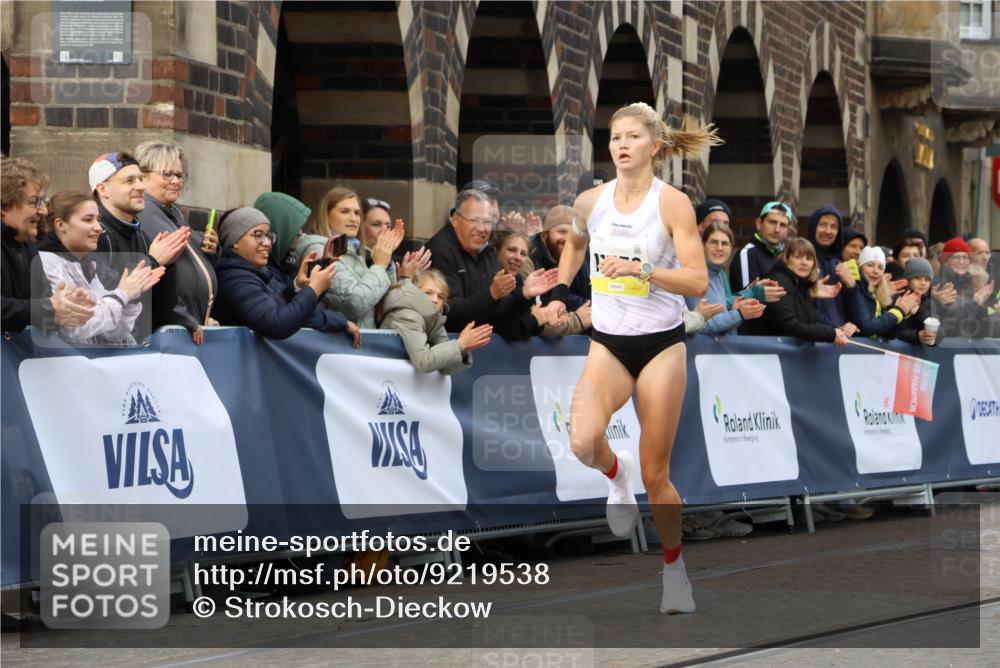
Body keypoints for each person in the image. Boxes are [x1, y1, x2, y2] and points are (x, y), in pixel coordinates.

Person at [540, 101, 721, 614]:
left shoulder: (673, 204)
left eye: (631, 137)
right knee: (581, 440)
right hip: (610, 342)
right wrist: (559, 288)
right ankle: (614, 476)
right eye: (615, 137)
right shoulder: (591, 200)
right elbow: (575, 244)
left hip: (661, 344)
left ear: (654, 146)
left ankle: (674, 570)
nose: (620, 145)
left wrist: (641, 270)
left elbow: (697, 281)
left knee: (656, 475)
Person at [213, 207, 360, 344]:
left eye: (268, 236)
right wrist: (314, 289)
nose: (267, 243)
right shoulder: (235, 278)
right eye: (258, 235)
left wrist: (299, 286)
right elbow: (277, 322)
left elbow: (292, 313)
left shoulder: (249, 273)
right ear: (235, 241)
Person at [37, 191, 165, 344]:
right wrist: (122, 294)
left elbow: (114, 333)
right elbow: (76, 328)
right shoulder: (45, 262)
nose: (98, 228)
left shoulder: (87, 264)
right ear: (60, 224)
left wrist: (131, 298)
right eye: (88, 220)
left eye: (97, 220)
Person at [426, 189, 558, 337]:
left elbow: (502, 322)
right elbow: (449, 315)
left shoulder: (486, 253)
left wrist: (524, 296)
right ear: (455, 219)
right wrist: (491, 294)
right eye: (474, 220)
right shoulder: (441, 251)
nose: (482, 229)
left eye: (487, 222)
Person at [134, 141, 219, 344]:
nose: (176, 181)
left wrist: (213, 251)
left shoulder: (171, 212)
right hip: (173, 331)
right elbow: (158, 276)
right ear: (143, 176)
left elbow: (193, 261)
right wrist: (185, 318)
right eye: (167, 174)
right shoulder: (144, 214)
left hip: (189, 325)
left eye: (179, 175)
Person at [2, 156, 97, 333]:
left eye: (43, 201)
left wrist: (68, 302)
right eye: (34, 202)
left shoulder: (26, 246)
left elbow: (45, 304)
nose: (44, 211)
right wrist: (48, 309)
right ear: (4, 206)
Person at [296, 187, 401, 329]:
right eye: (344, 211)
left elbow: (383, 302)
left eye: (357, 213)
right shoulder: (320, 249)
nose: (353, 218)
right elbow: (353, 303)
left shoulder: (355, 250)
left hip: (360, 342)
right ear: (326, 215)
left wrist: (386, 263)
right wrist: (380, 266)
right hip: (336, 344)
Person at [89, 152, 188, 277]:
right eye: (129, 181)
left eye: (140, 179)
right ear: (103, 189)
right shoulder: (93, 235)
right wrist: (153, 260)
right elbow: (106, 290)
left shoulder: (139, 234)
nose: (141, 187)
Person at [379, 269, 492, 374]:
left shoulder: (434, 320)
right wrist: (460, 344)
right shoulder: (407, 316)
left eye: (441, 296)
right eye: (428, 293)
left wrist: (463, 348)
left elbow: (445, 368)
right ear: (415, 291)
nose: (435, 300)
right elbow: (423, 362)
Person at [758, 238, 851, 345]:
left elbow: (808, 321)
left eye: (809, 258)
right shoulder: (780, 281)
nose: (804, 263)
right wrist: (830, 334)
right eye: (798, 257)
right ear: (786, 259)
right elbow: (789, 325)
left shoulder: (800, 284)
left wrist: (836, 330)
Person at [685, 221, 766, 336]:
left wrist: (733, 310)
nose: (719, 248)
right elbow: (700, 325)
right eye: (713, 242)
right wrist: (739, 314)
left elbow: (717, 319)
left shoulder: (719, 273)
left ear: (731, 248)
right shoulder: (693, 275)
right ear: (703, 244)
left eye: (724, 243)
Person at [495, 230, 568, 337]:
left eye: (523, 254)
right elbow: (504, 327)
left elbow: (521, 327)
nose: (518, 257)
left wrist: (546, 318)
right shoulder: (489, 279)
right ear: (496, 251)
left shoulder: (518, 280)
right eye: (512, 250)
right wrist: (536, 319)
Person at [838, 246, 920, 338]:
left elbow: (889, 335)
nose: (876, 271)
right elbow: (866, 328)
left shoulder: (878, 294)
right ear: (860, 268)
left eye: (880, 267)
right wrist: (899, 311)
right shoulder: (856, 290)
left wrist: (904, 313)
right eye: (870, 265)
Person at [935, 237, 995, 338]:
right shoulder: (939, 284)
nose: (961, 262)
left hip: (969, 346)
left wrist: (984, 307)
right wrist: (976, 302)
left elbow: (981, 328)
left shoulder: (971, 284)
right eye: (955, 257)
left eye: (965, 257)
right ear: (946, 261)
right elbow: (953, 320)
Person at [729, 201, 793, 293]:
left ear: (788, 230)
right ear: (759, 223)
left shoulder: (786, 256)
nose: (777, 229)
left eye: (783, 225)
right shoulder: (747, 254)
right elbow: (743, 299)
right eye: (772, 222)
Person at [362, 197, 431, 279]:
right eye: (376, 225)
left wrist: (404, 277)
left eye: (388, 226)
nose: (384, 231)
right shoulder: (355, 259)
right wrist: (405, 277)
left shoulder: (390, 262)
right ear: (360, 228)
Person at [805, 205, 848, 327]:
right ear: (813, 227)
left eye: (834, 227)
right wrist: (834, 328)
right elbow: (800, 306)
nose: (828, 231)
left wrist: (852, 286)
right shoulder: (802, 261)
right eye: (823, 224)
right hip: (814, 336)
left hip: (840, 338)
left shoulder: (838, 265)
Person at [888, 258, 937, 345]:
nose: (923, 283)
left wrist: (919, 311)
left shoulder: (931, 302)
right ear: (908, 280)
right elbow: (890, 331)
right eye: (918, 278)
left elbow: (939, 332)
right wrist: (916, 336)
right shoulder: (896, 299)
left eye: (927, 279)